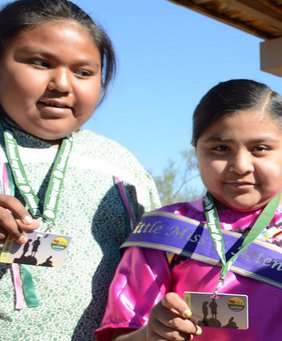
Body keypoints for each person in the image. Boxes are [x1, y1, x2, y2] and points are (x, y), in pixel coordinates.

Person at [94, 79, 282, 340]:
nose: (240, 165)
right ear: (197, 152)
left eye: (260, 148)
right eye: (220, 148)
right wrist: (149, 334)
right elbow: (121, 332)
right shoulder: (164, 230)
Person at [0, 1, 161, 339]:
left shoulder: (121, 165)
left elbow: (152, 268)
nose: (61, 83)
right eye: (40, 63)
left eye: (83, 72)